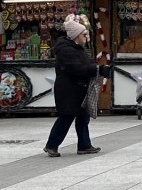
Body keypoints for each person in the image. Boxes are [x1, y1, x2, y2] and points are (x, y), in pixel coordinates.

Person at [44, 16, 109, 156]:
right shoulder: (66, 50)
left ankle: (84, 146)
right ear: (75, 36)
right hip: (69, 91)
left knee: (83, 117)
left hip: (77, 89)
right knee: (66, 117)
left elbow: (86, 65)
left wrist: (99, 68)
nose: (86, 36)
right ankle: (51, 145)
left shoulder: (76, 48)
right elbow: (76, 69)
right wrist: (98, 70)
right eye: (83, 34)